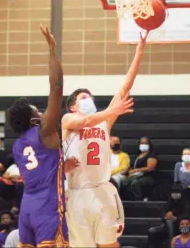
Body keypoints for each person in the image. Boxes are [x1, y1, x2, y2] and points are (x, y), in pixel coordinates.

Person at [62, 31, 149, 247]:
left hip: (102, 190)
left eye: (90, 96)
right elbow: (86, 121)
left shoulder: (104, 121)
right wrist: (113, 110)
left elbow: (125, 88)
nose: (88, 99)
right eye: (83, 97)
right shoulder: (68, 119)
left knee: (110, 245)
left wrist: (139, 51)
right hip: (77, 193)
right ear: (74, 106)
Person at [7, 25, 69, 247]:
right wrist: (52, 50)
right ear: (33, 118)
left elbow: (44, 165)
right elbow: (57, 87)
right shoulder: (44, 130)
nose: (41, 111)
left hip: (27, 207)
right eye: (37, 110)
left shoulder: (16, 146)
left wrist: (64, 165)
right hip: (47, 205)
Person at [148, 184, 190, 248]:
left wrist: (175, 218)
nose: (175, 194)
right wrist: (165, 217)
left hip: (180, 228)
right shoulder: (170, 202)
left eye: (177, 192)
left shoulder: (186, 203)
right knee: (152, 231)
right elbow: (163, 214)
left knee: (170, 222)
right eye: (174, 192)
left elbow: (187, 217)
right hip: (167, 227)